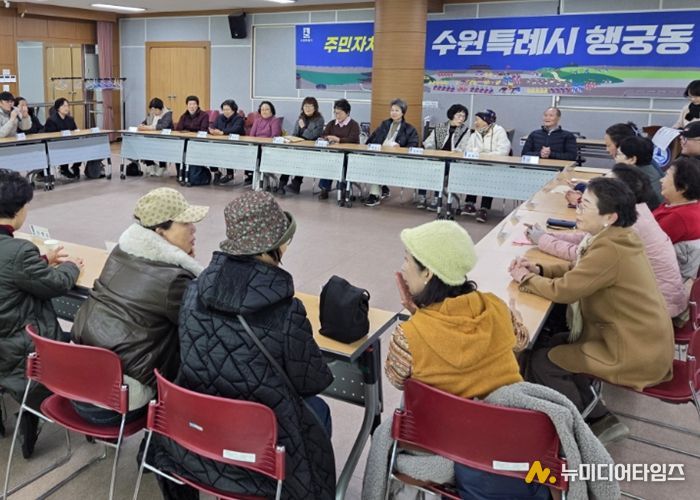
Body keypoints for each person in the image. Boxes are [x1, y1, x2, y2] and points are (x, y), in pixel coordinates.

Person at [151, 191, 335, 500]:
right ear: (276, 245)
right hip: (260, 452)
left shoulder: (194, 292)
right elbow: (311, 382)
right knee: (319, 410)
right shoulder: (287, 312)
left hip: (196, 435)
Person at [510, 177, 674, 445]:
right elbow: (580, 270)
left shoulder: (610, 247)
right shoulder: (616, 237)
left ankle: (588, 427)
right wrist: (539, 269)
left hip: (632, 349)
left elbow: (565, 291)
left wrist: (526, 279)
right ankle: (595, 416)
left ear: (609, 217)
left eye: (585, 205)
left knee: (543, 361)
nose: (578, 210)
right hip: (634, 338)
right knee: (551, 343)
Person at [386, 220, 543, 498]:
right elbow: (521, 340)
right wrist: (516, 319)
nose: (402, 267)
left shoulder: (408, 336)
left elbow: (397, 379)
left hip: (439, 443)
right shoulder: (496, 308)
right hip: (504, 444)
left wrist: (418, 316)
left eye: (407, 260)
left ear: (428, 273)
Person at [71, 188, 208, 425]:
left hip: (75, 385)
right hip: (117, 405)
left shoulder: (120, 252)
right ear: (160, 231)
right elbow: (200, 329)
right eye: (185, 223)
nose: (193, 229)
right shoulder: (175, 279)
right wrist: (189, 269)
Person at [526, 164, 687, 319]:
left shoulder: (628, 230)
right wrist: (548, 238)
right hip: (649, 300)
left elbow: (578, 264)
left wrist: (541, 244)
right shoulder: (630, 214)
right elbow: (586, 241)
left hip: (651, 310)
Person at [0, 169, 83, 457]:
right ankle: (34, 409)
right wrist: (71, 266)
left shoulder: (17, 253)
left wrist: (42, 260)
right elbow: (56, 284)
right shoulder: (19, 251)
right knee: (81, 338)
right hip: (20, 349)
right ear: (20, 210)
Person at [364, 99, 419, 207]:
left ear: (403, 113)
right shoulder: (384, 124)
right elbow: (372, 139)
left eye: (397, 110)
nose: (393, 113)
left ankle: (374, 195)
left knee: (377, 165)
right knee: (375, 162)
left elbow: (413, 146)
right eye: (392, 110)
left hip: (397, 159)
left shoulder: (409, 129)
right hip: (380, 155)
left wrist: (400, 148)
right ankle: (382, 188)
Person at [462, 109, 512, 223]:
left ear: (486, 120)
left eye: (477, 120)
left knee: (489, 177)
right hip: (477, 164)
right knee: (472, 173)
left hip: (494, 166)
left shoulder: (499, 131)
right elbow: (468, 149)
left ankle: (484, 208)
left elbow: (503, 151)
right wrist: (478, 155)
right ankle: (470, 203)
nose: (475, 122)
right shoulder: (475, 133)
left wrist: (484, 155)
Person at [420, 104, 471, 211]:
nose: (461, 119)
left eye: (463, 116)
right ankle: (422, 196)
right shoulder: (440, 127)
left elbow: (464, 147)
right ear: (452, 115)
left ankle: (436, 199)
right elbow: (429, 142)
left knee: (440, 168)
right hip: (438, 156)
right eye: (459, 115)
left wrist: (456, 152)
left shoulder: (465, 130)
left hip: (453, 160)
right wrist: (430, 149)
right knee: (425, 165)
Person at [279, 97, 325, 194]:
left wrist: (303, 127)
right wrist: (292, 139)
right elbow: (295, 133)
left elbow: (313, 136)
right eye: (305, 106)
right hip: (299, 146)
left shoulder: (319, 120)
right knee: (288, 158)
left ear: (315, 108)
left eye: (310, 106)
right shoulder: (300, 118)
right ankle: (281, 184)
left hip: (311, 149)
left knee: (301, 157)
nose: (308, 108)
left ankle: (296, 184)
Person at [318, 98, 360, 200]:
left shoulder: (354, 125)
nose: (337, 116)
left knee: (342, 162)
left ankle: (343, 187)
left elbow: (353, 139)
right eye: (335, 113)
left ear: (347, 113)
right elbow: (323, 135)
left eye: (340, 113)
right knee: (327, 161)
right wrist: (327, 138)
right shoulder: (332, 123)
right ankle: (324, 188)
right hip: (333, 153)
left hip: (348, 154)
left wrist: (339, 140)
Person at [653, 157, 700, 244]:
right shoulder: (679, 205)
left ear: (683, 188)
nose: (661, 180)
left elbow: (651, 243)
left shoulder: (679, 218)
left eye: (667, 176)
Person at [616, 135, 663, 209]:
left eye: (618, 154)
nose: (615, 158)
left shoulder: (635, 184)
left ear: (632, 159)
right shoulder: (655, 172)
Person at [174, 95, 210, 184]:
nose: (192, 106)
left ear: (197, 105)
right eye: (190, 104)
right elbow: (178, 129)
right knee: (178, 152)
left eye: (194, 104)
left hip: (197, 143)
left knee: (193, 172)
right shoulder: (184, 116)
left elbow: (203, 130)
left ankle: (201, 175)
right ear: (187, 105)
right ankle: (181, 175)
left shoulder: (204, 115)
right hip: (185, 142)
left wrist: (188, 131)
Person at [43, 97, 81, 179]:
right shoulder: (51, 120)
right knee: (65, 147)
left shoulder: (70, 119)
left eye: (67, 106)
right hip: (56, 145)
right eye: (64, 106)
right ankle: (64, 169)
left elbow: (75, 131)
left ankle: (75, 166)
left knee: (82, 146)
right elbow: (50, 136)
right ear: (58, 108)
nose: (66, 108)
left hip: (70, 143)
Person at [208, 99, 244, 185]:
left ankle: (230, 174)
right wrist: (212, 131)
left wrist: (222, 132)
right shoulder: (220, 117)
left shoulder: (238, 118)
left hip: (235, 144)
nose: (225, 112)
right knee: (210, 150)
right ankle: (216, 172)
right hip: (220, 142)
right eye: (224, 109)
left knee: (227, 150)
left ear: (233, 110)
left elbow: (236, 129)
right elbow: (213, 127)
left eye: (228, 109)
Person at [247, 100, 282, 185]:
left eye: (267, 109)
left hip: (268, 147)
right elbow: (252, 135)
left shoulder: (275, 120)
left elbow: (274, 136)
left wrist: (265, 145)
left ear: (271, 110)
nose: (264, 111)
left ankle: (261, 178)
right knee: (249, 151)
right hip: (257, 145)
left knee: (258, 153)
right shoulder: (257, 120)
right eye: (262, 109)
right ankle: (253, 175)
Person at [137, 97, 173, 177]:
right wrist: (142, 125)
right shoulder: (151, 113)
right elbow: (145, 122)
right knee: (142, 144)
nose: (154, 112)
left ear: (161, 108)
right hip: (151, 138)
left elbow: (164, 126)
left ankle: (162, 166)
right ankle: (150, 164)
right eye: (152, 110)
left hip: (164, 140)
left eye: (155, 110)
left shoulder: (167, 114)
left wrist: (149, 128)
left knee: (159, 146)